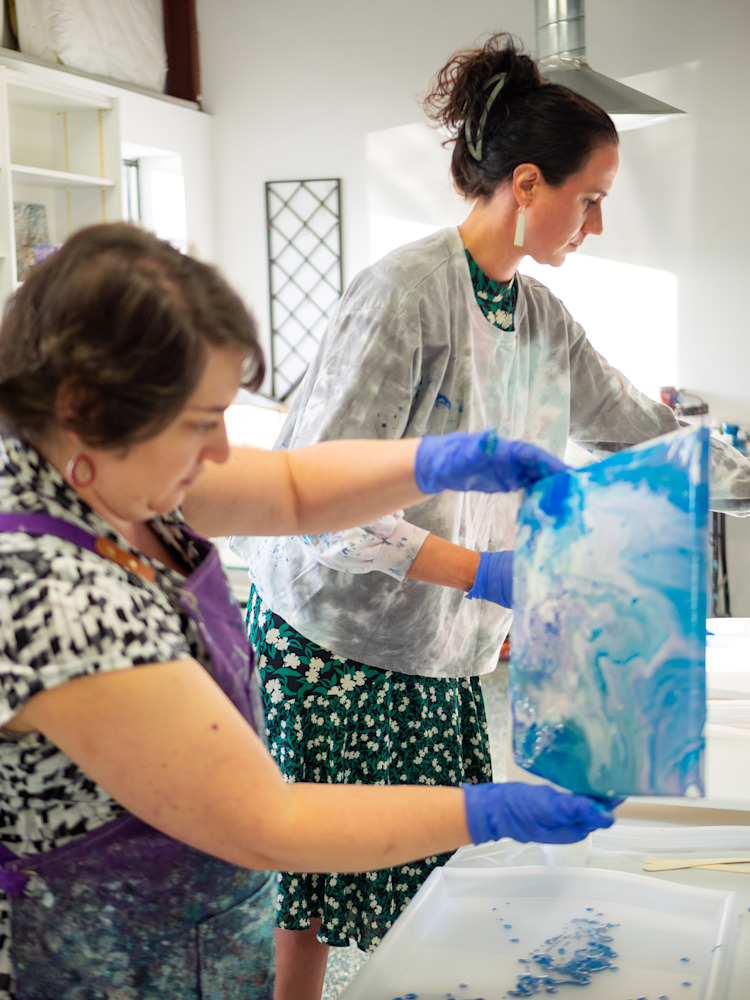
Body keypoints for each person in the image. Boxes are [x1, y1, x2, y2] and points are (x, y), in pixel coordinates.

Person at [239, 31, 750, 1000]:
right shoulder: (404, 293)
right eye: (590, 198)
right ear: (526, 184)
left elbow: (641, 431)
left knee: (429, 877)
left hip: (440, 646)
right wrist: (486, 573)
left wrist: (743, 476)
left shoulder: (540, 317)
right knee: (314, 884)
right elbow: (324, 506)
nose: (597, 223)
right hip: (333, 639)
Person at [0, 222, 618, 1000]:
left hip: (192, 928)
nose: (219, 451)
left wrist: (438, 460)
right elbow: (270, 822)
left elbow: (291, 488)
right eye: (198, 422)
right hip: (98, 964)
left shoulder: (106, 471)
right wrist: (488, 812)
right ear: (85, 406)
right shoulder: (53, 597)